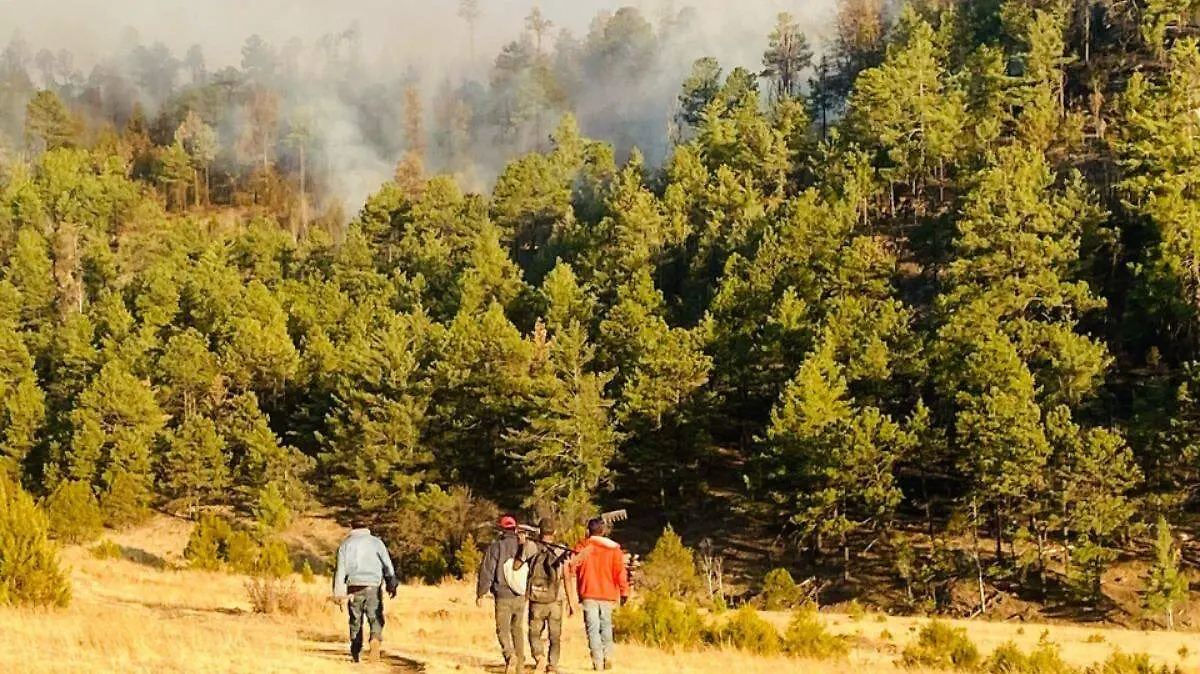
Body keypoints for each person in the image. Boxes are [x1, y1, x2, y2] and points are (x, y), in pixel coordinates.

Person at [331, 520, 398, 663]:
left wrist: (338, 594)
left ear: (352, 526)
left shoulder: (345, 545)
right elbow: (388, 565)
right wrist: (391, 584)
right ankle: (375, 638)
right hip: (373, 586)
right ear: (367, 527)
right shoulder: (376, 543)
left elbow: (340, 571)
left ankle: (356, 650)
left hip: (353, 587)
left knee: (355, 620)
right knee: (375, 616)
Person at [572, 518, 630, 671]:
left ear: (588, 530)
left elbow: (573, 566)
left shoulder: (583, 546)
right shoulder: (614, 549)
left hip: (588, 592)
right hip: (608, 593)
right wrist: (624, 591)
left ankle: (597, 661)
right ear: (603, 531)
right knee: (606, 626)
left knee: (592, 628)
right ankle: (608, 656)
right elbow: (620, 572)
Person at [477, 515, 531, 674]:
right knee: (518, 630)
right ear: (515, 529)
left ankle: (509, 655)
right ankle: (520, 665)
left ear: (501, 529)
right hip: (520, 596)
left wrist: (481, 593)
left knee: (503, 630)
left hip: (502, 595)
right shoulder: (524, 546)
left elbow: (487, 571)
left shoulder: (496, 547)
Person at [525, 519, 574, 674]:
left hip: (536, 598)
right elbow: (567, 577)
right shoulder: (561, 551)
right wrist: (571, 602)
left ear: (539, 531)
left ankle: (539, 657)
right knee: (555, 635)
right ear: (554, 532)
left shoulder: (532, 547)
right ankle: (553, 664)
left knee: (534, 632)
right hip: (555, 599)